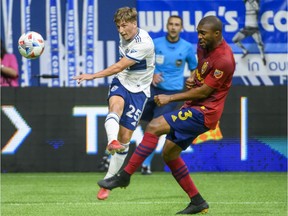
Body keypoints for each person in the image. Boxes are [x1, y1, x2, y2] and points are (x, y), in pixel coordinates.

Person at [98, 15, 236, 214]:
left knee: (154, 126)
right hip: (193, 106)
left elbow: (205, 92)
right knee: (169, 154)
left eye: (203, 33)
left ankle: (125, 175)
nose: (199, 37)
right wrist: (193, 79)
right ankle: (197, 201)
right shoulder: (203, 46)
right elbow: (200, 74)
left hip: (205, 112)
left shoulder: (225, 59)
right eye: (198, 32)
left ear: (217, 33)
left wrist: (170, 98)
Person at [73, 7, 155, 200]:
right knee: (115, 107)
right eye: (118, 26)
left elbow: (119, 65)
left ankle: (109, 182)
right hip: (122, 81)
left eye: (124, 25)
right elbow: (120, 70)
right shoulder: (125, 34)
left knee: (126, 137)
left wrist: (92, 75)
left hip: (140, 91)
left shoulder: (145, 43)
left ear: (135, 24)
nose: (121, 30)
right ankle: (111, 140)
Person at [140, 15, 197, 174]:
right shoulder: (156, 43)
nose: (173, 27)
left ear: (181, 28)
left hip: (170, 94)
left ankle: (146, 165)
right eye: (171, 24)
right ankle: (109, 158)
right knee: (132, 119)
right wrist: (151, 75)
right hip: (150, 89)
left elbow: (194, 69)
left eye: (177, 24)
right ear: (167, 26)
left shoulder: (186, 47)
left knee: (156, 127)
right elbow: (142, 62)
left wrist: (192, 80)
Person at [232, 0, 266, 65]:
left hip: (254, 29)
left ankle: (263, 57)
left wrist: (253, 2)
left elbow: (257, 9)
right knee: (235, 40)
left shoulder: (256, 2)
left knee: (260, 44)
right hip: (246, 28)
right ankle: (245, 51)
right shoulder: (246, 2)